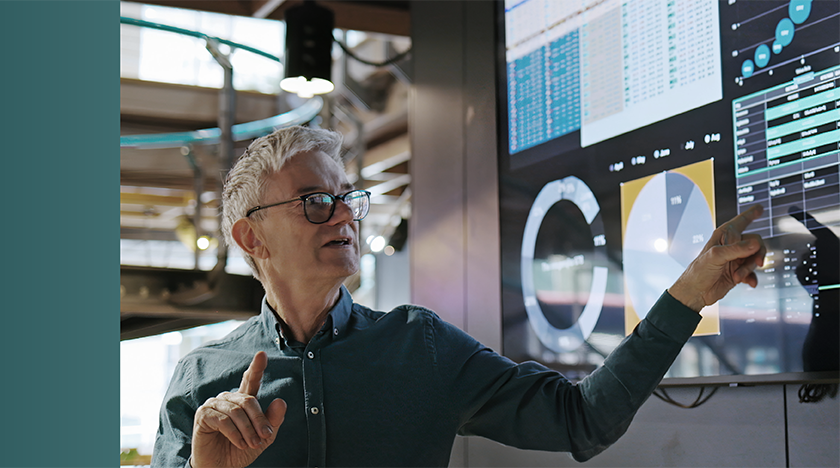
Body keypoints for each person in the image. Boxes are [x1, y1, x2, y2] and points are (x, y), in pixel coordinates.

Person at [150, 126, 767, 468]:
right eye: (317, 202)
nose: (343, 216)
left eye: (348, 199)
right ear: (250, 235)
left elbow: (584, 419)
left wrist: (689, 295)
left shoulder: (420, 346)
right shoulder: (203, 381)